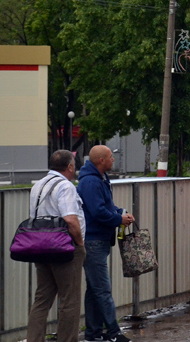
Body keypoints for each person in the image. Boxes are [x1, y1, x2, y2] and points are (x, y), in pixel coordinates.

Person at [26, 150, 85, 342]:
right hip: (64, 248)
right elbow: (70, 219)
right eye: (73, 165)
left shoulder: (38, 185)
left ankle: (34, 339)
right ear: (69, 166)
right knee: (69, 300)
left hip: (40, 247)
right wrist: (80, 244)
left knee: (42, 299)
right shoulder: (65, 186)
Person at [78, 145, 134, 342]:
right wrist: (118, 219)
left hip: (99, 241)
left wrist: (119, 212)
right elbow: (98, 212)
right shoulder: (91, 182)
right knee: (102, 289)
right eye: (110, 157)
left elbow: (106, 207)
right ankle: (114, 332)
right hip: (93, 241)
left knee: (94, 290)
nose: (113, 159)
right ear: (101, 160)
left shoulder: (100, 178)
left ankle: (93, 333)